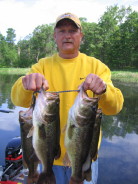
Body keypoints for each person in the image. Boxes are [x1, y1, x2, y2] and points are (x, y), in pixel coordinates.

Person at [11, 13, 124, 184]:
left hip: (84, 156)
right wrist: (25, 84)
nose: (67, 35)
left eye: (72, 30)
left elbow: (115, 107)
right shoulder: (41, 66)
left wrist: (104, 90)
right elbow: (18, 99)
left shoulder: (96, 66)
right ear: (55, 36)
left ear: (81, 36)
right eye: (62, 31)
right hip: (48, 156)